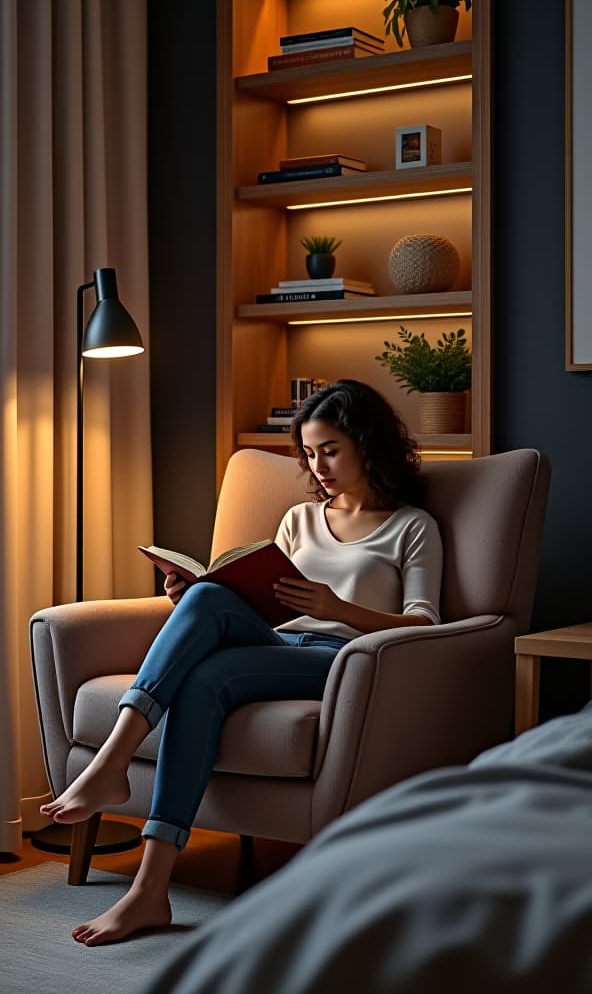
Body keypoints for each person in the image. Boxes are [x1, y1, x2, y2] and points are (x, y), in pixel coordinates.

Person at [40, 379, 444, 946]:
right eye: (308, 452)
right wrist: (192, 601)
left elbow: (426, 625)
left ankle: (112, 769)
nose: (317, 464)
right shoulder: (299, 520)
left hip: (344, 659)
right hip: (277, 644)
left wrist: (338, 608)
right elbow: (266, 607)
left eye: (330, 449)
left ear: (365, 443)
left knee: (207, 668)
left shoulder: (411, 527)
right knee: (204, 607)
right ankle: (150, 892)